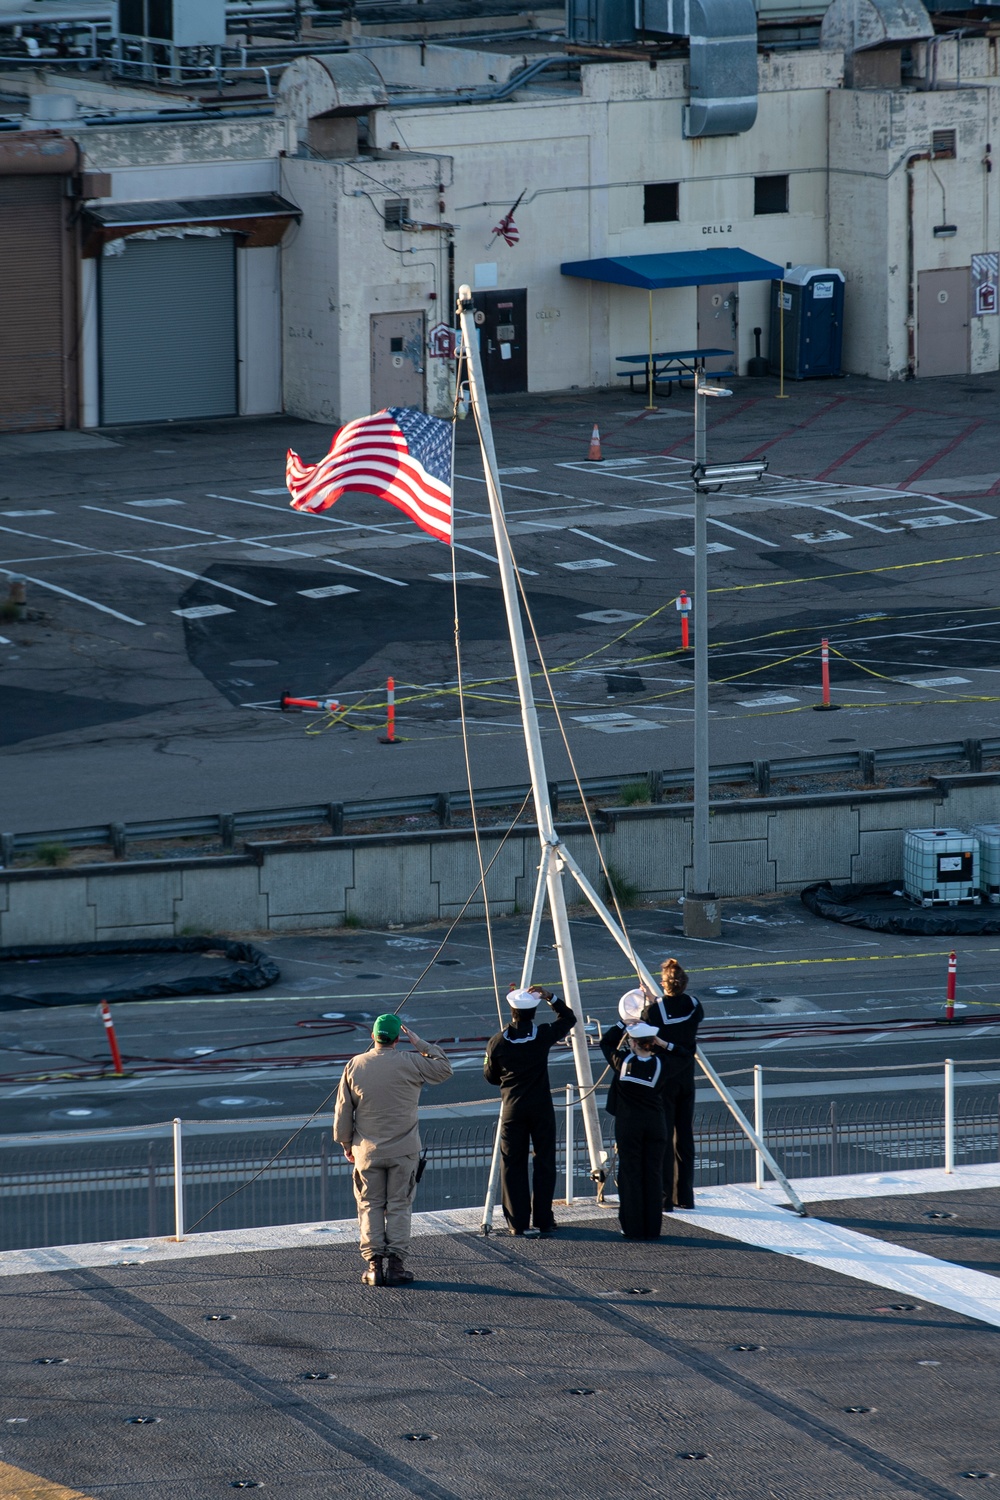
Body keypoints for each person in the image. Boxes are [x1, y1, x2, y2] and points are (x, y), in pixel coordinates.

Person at [333, 1012, 453, 1287]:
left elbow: (343, 1111)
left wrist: (346, 1143)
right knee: (399, 1205)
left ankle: (373, 1266)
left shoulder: (355, 1065)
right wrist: (421, 1043)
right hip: (404, 1150)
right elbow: (444, 1069)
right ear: (399, 1038)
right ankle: (397, 1266)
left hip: (367, 1151)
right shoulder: (412, 1062)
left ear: (373, 1036)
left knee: (369, 1205)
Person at [483, 983, 577, 1236]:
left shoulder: (498, 1042)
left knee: (512, 1165)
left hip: (513, 1108)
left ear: (512, 1011)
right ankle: (544, 1219)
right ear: (533, 1012)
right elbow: (569, 1018)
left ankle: (517, 1222)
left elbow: (490, 1077)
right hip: (541, 1108)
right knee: (545, 1162)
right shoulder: (543, 1034)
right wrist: (550, 996)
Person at [620, 959, 704, 1210]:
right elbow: (687, 1016)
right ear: (684, 982)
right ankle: (685, 1196)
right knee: (685, 1137)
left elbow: (643, 1025)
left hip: (663, 1078)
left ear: (663, 984)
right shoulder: (694, 1006)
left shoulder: (654, 1012)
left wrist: (647, 1000)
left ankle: (665, 1197)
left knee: (664, 1138)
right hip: (686, 1076)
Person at [600, 1014, 667, 1240]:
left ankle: (633, 1227)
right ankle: (652, 1227)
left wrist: (623, 1023)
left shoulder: (622, 1062)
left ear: (634, 1042)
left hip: (629, 1124)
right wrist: (664, 1044)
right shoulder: (662, 1063)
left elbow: (606, 1042)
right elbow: (685, 1054)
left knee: (631, 1175)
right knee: (653, 1174)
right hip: (656, 1124)